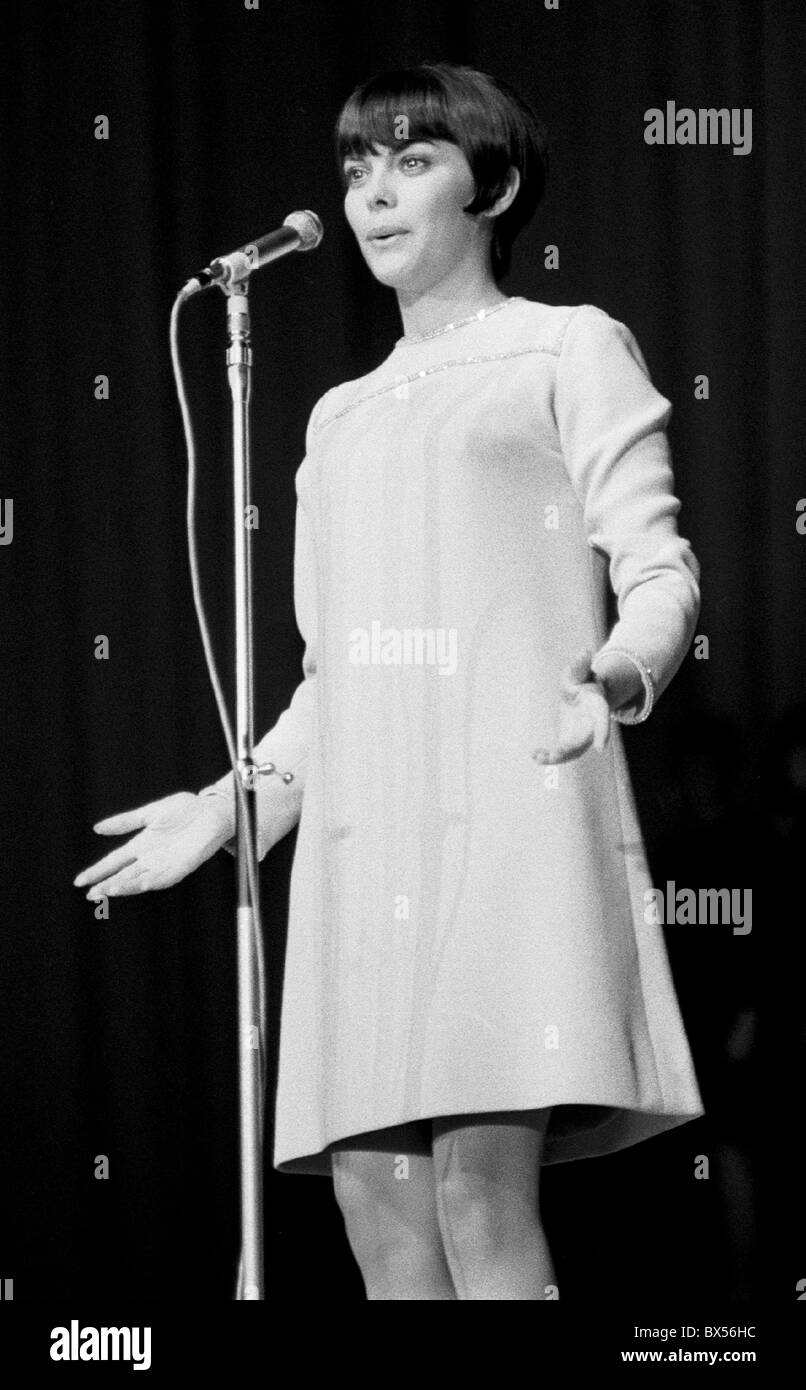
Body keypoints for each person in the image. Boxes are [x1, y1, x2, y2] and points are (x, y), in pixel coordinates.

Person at [74, 61, 705, 1300]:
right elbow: (333, 678)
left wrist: (623, 671)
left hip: (509, 802)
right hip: (368, 843)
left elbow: (658, 564)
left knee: (479, 1195)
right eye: (359, 167)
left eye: (413, 162)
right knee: (378, 1216)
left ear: (495, 187)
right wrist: (231, 801)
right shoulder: (335, 418)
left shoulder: (563, 346)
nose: (373, 193)